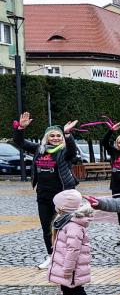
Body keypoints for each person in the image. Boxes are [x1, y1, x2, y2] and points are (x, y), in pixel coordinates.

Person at [12, 112, 80, 269]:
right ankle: (52, 256)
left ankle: (66, 255)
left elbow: (72, 152)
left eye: (58, 135)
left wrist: (68, 134)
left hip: (63, 195)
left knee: (65, 226)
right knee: (46, 227)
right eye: (52, 136)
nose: (55, 138)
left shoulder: (64, 151)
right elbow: (19, 141)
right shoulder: (39, 149)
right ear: (46, 137)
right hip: (43, 194)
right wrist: (21, 127)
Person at [48, 190, 97, 295]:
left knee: (76, 289)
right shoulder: (65, 221)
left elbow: (73, 249)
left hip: (72, 266)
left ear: (63, 208)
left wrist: (68, 268)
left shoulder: (72, 226)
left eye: (56, 205)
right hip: (66, 265)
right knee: (66, 290)